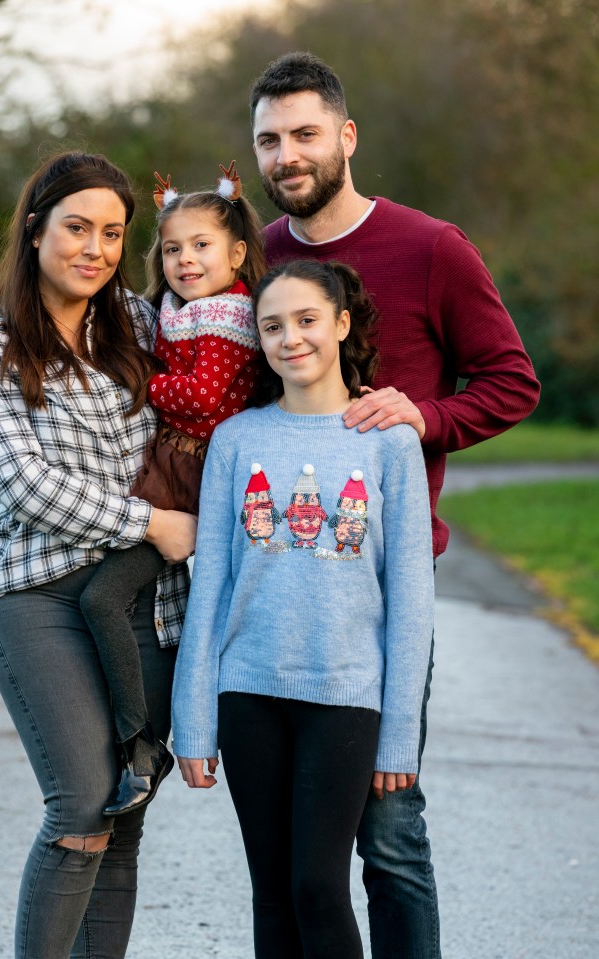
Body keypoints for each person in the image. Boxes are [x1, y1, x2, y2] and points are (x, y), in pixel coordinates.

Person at [249, 52, 541, 958]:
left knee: (388, 822)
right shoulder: (258, 257)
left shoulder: (430, 247)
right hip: (278, 581)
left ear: (345, 137)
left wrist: (425, 417)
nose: (285, 155)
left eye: (303, 134)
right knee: (296, 853)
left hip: (385, 579)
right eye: (267, 140)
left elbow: (511, 381)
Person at [0, 151, 196, 959]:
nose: (94, 247)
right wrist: (150, 523)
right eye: (77, 227)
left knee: (122, 819)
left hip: (145, 603)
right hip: (37, 594)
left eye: (114, 233)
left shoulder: (145, 327)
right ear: (35, 229)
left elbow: (223, 387)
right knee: (82, 802)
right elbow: (23, 483)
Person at [171, 258, 435, 959]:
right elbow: (213, 585)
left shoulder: (388, 441)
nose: (291, 338)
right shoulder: (237, 439)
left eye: (307, 319)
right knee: (271, 891)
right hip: (248, 692)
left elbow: (410, 598)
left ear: (342, 324)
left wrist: (397, 735)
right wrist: (192, 721)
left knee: (319, 886)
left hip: (345, 697)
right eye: (271, 325)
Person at [78, 160, 265, 818]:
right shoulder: (182, 312)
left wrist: (138, 380)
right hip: (170, 470)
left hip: (192, 479)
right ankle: (140, 734)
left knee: (108, 599)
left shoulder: (228, 319)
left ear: (237, 252)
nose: (185, 259)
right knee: (117, 599)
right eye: (173, 247)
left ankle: (144, 740)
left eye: (202, 245)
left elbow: (202, 397)